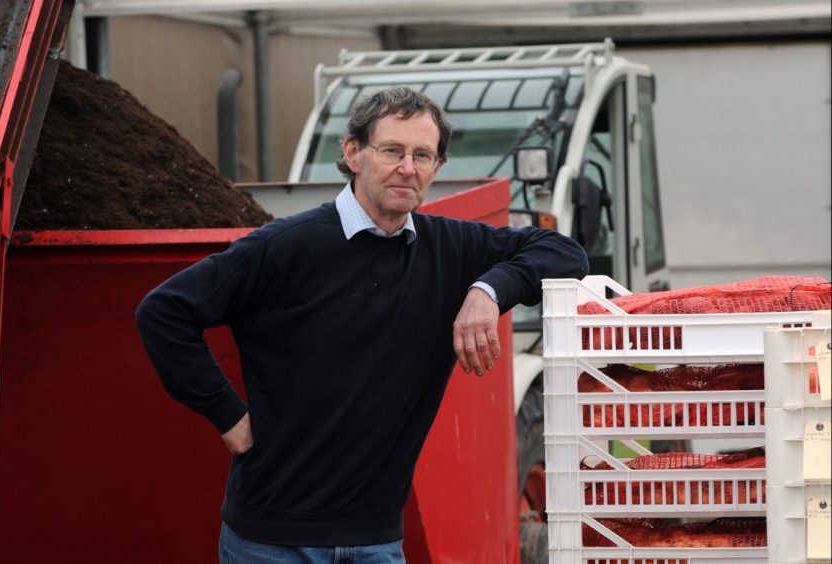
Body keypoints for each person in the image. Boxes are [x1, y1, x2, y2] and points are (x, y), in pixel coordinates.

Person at [135, 86, 588, 563]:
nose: (407, 168)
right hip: (271, 541)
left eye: (422, 155)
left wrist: (488, 290)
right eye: (392, 150)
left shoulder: (451, 249)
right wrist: (224, 412)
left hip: (376, 541)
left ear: (437, 168)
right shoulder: (284, 247)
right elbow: (164, 311)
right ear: (353, 153)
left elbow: (565, 254)